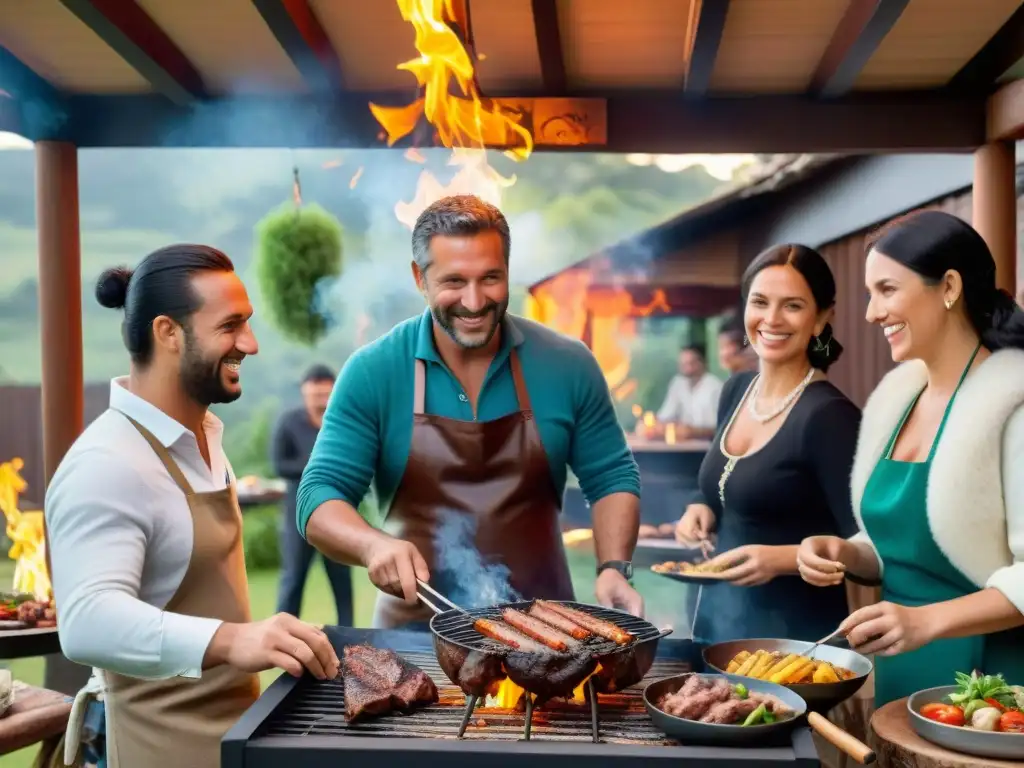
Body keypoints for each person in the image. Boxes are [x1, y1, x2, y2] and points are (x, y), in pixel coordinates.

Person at [45, 245, 338, 768]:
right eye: (230, 326)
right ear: (168, 334)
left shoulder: (202, 433)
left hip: (239, 742)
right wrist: (233, 640)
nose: (250, 343)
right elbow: (87, 621)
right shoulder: (107, 462)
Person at [297, 194, 643, 628]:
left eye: (490, 278)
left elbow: (611, 476)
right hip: (415, 637)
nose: (475, 301)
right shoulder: (374, 370)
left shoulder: (567, 363)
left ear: (509, 272)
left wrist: (614, 566)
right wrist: (372, 545)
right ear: (419, 277)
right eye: (454, 281)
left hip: (551, 636)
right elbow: (318, 496)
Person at [797, 211, 1024, 706]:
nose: (871, 313)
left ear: (948, 286)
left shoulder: (1014, 403)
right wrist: (844, 550)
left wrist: (925, 620)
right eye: (869, 294)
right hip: (901, 677)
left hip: (987, 689)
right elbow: (906, 543)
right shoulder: (898, 401)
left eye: (886, 290)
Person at [674, 244, 861, 643]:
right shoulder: (736, 389)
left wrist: (781, 559)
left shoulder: (830, 416)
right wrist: (699, 505)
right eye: (760, 302)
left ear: (821, 318)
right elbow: (723, 480)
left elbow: (866, 547)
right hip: (714, 625)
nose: (772, 319)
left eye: (792, 306)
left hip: (794, 646)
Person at [272, 365, 353, 625]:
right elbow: (280, 465)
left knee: (342, 580)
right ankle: (283, 635)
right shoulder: (289, 422)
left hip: (338, 512)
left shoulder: (342, 422)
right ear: (304, 393)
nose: (320, 400)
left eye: (325, 394)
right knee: (293, 578)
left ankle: (352, 640)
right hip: (297, 516)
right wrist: (318, 465)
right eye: (314, 394)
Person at [638, 344, 723, 440]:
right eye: (683, 364)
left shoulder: (715, 387)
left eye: (690, 363)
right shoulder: (678, 383)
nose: (686, 368)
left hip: (708, 445)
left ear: (702, 363)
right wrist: (652, 422)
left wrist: (691, 431)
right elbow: (666, 416)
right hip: (682, 446)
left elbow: (719, 427)